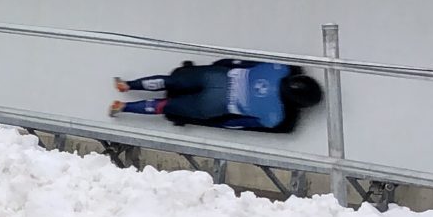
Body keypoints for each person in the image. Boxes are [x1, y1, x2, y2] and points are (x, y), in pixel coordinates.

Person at [110, 60, 323, 134]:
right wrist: (218, 120)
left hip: (218, 77)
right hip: (217, 104)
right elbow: (238, 123)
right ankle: (122, 107)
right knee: (167, 106)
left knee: (171, 81)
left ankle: (127, 85)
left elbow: (239, 63)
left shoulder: (280, 69)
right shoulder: (274, 116)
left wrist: (220, 65)